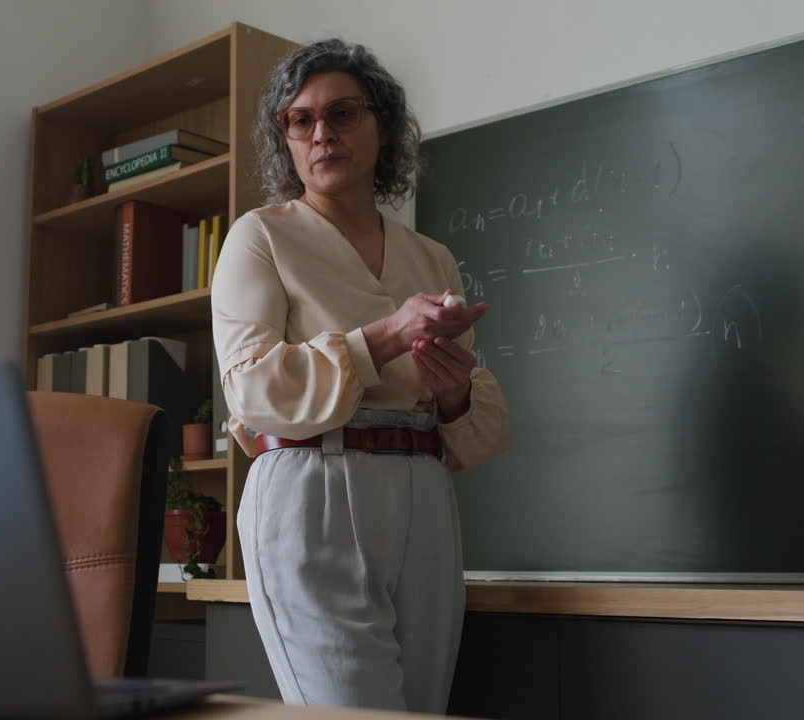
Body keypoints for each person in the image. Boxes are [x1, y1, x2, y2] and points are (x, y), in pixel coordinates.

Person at [210, 38, 511, 713]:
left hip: (425, 489)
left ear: (382, 126)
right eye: (301, 119)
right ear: (284, 137)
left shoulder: (431, 255)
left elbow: (478, 431)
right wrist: (387, 336)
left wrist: (455, 391)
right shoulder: (260, 237)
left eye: (343, 113)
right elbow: (252, 390)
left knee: (421, 710)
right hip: (312, 482)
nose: (322, 133)